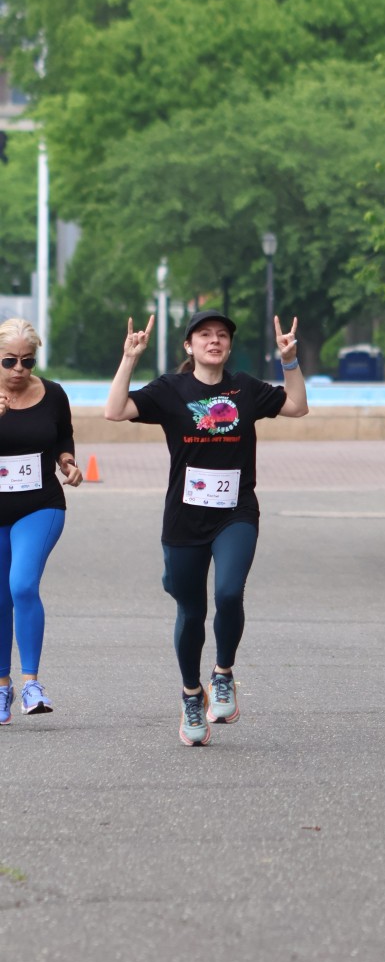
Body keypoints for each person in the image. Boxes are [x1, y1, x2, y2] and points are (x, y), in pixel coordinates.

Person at [105, 309, 308, 746]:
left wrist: (289, 361)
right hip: (184, 517)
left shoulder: (246, 388)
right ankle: (191, 694)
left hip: (236, 512)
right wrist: (130, 358)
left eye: (221, 335)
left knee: (229, 592)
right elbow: (115, 410)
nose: (214, 341)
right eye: (204, 335)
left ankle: (223, 673)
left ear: (229, 346)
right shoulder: (171, 389)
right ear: (189, 345)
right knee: (191, 610)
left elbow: (297, 406)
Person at [0, 318, 83, 724]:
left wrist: (67, 460)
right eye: (9, 361)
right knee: (0, 597)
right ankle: (2, 686)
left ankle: (32, 684)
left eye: (27, 361)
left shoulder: (52, 394)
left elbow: (63, 435)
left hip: (40, 505)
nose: (19, 369)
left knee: (22, 584)